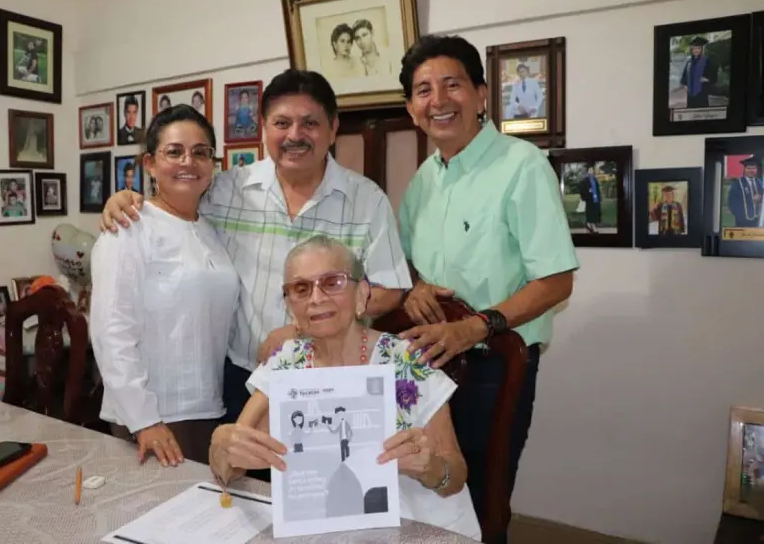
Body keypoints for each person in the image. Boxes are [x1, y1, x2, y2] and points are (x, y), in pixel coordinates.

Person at [98, 69, 411, 477]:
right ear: (264, 128)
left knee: (320, 492)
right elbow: (172, 204)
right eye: (282, 123)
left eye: (310, 123)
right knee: (235, 500)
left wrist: (303, 332)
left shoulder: (366, 200)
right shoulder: (227, 189)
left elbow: (388, 290)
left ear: (333, 128)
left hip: (327, 382)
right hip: (236, 382)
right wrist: (125, 200)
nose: (295, 134)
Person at [397, 34, 579, 543]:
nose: (438, 100)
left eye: (452, 84)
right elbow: (406, 262)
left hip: (493, 366)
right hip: (426, 362)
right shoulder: (423, 180)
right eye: (423, 90)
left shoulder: (522, 165)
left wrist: (473, 327)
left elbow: (556, 279)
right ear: (412, 110)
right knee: (420, 491)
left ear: (481, 94)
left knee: (480, 502)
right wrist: (412, 288)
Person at [208, 235, 481, 540]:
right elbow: (231, 467)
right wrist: (222, 445)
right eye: (301, 288)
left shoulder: (406, 362)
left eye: (332, 282)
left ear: (362, 294)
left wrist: (429, 466)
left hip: (416, 523)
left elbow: (455, 476)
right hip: (326, 528)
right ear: (290, 305)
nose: (316, 298)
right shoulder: (285, 367)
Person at [89, 104, 240, 467]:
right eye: (174, 152)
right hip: (152, 416)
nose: (189, 161)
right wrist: (145, 420)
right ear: (150, 164)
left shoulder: (212, 229)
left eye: (201, 152)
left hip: (208, 407)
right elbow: (111, 331)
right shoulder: (129, 228)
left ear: (213, 165)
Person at [678, 36, 717, 109]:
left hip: (702, 94)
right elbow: (685, 76)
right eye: (694, 48)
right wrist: (685, 85)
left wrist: (707, 79)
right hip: (690, 95)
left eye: (698, 48)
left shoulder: (707, 61)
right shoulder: (689, 61)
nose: (696, 50)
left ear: (701, 49)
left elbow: (714, 77)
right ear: (692, 49)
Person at [728, 156, 762, 228]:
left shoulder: (760, 183)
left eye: (754, 168)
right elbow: (732, 203)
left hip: (758, 222)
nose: (751, 170)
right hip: (742, 222)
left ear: (757, 169)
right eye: (749, 168)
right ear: (745, 169)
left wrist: (761, 198)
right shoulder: (737, 184)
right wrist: (742, 218)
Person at [578, 165, 602, 233]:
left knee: (595, 212)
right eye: (590, 170)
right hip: (589, 199)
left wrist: (599, 197)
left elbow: (597, 189)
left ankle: (589, 225)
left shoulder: (594, 179)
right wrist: (588, 191)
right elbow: (581, 189)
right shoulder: (585, 180)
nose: (591, 171)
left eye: (592, 170)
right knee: (590, 212)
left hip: (596, 199)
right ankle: (592, 226)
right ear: (588, 171)